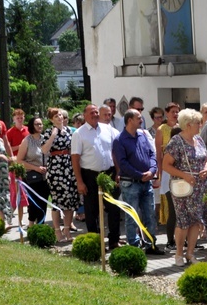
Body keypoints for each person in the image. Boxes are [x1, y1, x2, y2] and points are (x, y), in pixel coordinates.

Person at [163, 108, 207, 267]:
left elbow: (206, 159)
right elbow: (166, 165)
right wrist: (184, 175)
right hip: (182, 187)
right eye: (198, 122)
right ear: (188, 124)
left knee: (197, 221)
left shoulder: (199, 139)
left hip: (199, 187)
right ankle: (178, 253)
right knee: (184, 221)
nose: (200, 125)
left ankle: (190, 253)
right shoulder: (176, 141)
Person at [112, 109, 164, 254]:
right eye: (139, 118)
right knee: (132, 216)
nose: (142, 120)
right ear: (130, 120)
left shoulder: (142, 135)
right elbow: (122, 163)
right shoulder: (119, 140)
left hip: (146, 182)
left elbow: (152, 154)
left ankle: (150, 244)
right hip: (130, 183)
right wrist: (139, 174)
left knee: (149, 215)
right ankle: (134, 247)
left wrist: (152, 171)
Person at [71, 104, 121, 249]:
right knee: (92, 210)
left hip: (109, 173)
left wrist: (118, 172)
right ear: (85, 115)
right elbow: (75, 158)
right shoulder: (79, 133)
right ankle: (96, 242)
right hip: (89, 175)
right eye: (92, 112)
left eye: (96, 112)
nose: (95, 114)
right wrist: (79, 182)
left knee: (113, 208)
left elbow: (115, 151)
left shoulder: (108, 129)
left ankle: (114, 240)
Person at [42, 108, 78, 242]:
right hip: (56, 168)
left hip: (69, 166)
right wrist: (53, 135)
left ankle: (67, 229)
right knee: (57, 201)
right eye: (56, 116)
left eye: (61, 115)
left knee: (70, 199)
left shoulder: (70, 131)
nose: (60, 118)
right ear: (51, 119)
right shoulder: (48, 132)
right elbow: (44, 150)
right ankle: (57, 231)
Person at [16, 117, 50, 226]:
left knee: (43, 201)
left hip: (45, 176)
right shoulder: (27, 140)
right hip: (32, 176)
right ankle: (31, 224)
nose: (40, 126)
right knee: (34, 202)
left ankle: (41, 225)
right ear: (32, 126)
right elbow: (19, 160)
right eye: (37, 124)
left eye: (41, 124)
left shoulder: (45, 139)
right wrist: (36, 168)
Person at [156, 102, 180, 251]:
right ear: (166, 113)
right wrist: (159, 174)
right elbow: (159, 155)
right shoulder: (161, 129)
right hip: (167, 172)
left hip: (181, 173)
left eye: (177, 111)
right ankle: (170, 239)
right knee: (172, 208)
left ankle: (181, 238)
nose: (175, 114)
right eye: (172, 111)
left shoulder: (182, 126)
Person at [6, 109, 29, 226]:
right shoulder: (9, 132)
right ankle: (9, 216)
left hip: (28, 164)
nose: (20, 120)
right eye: (17, 118)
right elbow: (8, 150)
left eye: (21, 117)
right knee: (16, 193)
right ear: (14, 119)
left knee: (25, 194)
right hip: (16, 166)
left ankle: (21, 220)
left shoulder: (28, 130)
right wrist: (20, 147)